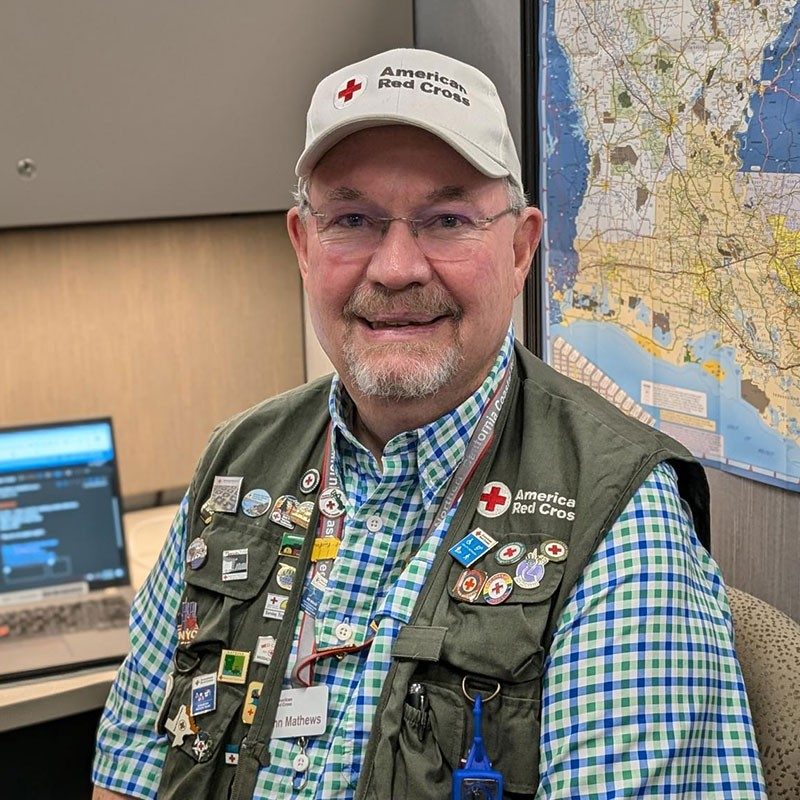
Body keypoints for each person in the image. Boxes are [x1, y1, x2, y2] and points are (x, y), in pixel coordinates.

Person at [92, 48, 766, 799]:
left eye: (446, 220)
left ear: (520, 248)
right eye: (351, 219)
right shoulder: (237, 463)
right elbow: (130, 768)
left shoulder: (619, 518)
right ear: (302, 244)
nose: (397, 267)